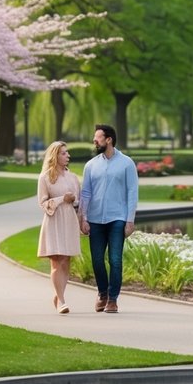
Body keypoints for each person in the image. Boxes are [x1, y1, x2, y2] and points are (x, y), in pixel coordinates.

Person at [79, 124, 138, 314]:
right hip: (95, 219)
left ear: (109, 139)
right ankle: (102, 294)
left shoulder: (127, 163)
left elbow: (132, 192)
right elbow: (85, 193)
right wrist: (83, 218)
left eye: (97, 138)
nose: (94, 141)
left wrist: (130, 220)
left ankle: (113, 299)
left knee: (115, 260)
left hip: (117, 219)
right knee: (97, 260)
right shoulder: (91, 165)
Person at [38, 141, 82, 314]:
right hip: (54, 221)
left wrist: (75, 204)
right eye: (64, 153)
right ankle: (62, 301)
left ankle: (58, 296)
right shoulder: (45, 178)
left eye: (67, 153)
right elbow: (42, 203)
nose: (68, 156)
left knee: (66, 261)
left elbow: (78, 202)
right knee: (56, 261)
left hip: (69, 220)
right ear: (55, 156)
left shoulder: (73, 178)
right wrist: (62, 199)